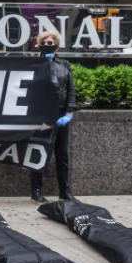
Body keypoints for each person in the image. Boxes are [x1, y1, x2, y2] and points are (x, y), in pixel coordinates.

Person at [30, 30, 76, 204]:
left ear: (57, 45)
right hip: (42, 115)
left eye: (52, 42)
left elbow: (71, 89)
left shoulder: (64, 64)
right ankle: (36, 191)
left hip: (61, 114)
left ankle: (65, 191)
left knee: (62, 154)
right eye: (45, 42)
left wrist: (69, 112)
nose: (48, 45)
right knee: (41, 153)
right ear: (40, 44)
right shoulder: (35, 64)